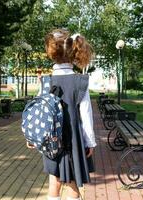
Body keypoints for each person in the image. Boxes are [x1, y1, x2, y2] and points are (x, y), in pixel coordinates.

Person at [27, 29, 97, 200]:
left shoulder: (45, 80)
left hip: (51, 140)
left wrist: (32, 137)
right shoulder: (80, 81)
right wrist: (90, 142)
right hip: (73, 140)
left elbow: (39, 112)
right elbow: (86, 114)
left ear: (52, 54)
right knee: (72, 181)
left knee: (54, 181)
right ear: (74, 52)